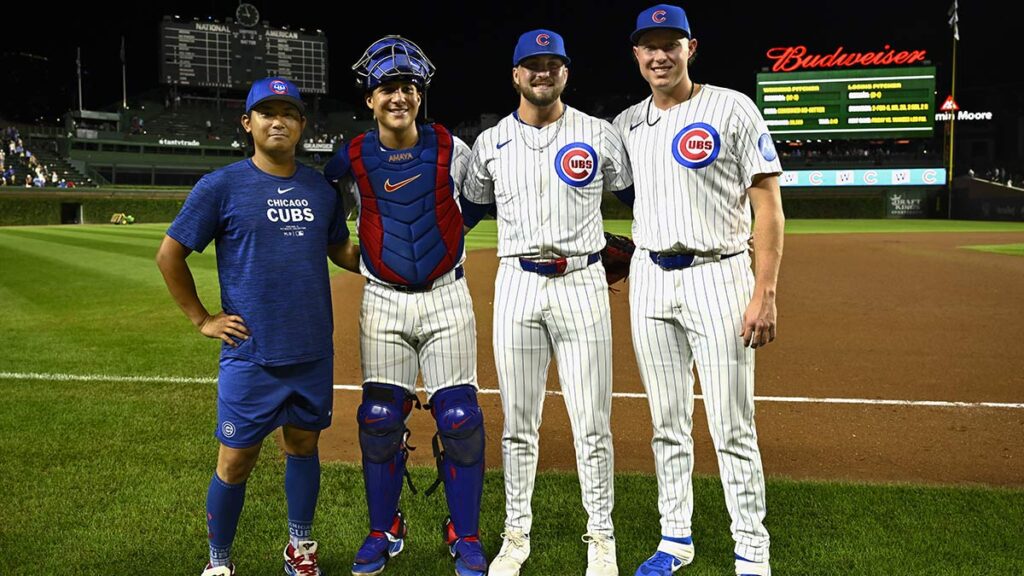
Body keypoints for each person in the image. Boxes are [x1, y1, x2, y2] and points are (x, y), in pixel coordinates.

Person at [156, 76, 354, 576]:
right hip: (251, 354)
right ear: (248, 123)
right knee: (235, 460)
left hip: (310, 350)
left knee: (304, 446)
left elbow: (338, 249)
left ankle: (299, 548)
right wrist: (202, 319)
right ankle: (219, 562)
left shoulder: (319, 188)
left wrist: (398, 262)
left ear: (302, 124)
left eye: (288, 112)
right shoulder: (221, 186)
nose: (278, 120)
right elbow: (169, 254)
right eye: (267, 112)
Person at [612, 5, 785, 576]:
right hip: (651, 282)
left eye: (670, 44)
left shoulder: (733, 107)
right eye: (648, 46)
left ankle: (751, 548)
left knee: (732, 422)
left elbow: (768, 206)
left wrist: (765, 292)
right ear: (637, 55)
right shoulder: (626, 125)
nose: (659, 55)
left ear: (691, 47)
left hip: (720, 275)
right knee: (667, 421)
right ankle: (675, 538)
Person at [462, 29, 632, 576]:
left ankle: (601, 536)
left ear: (565, 73)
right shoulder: (490, 144)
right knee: (518, 422)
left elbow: (643, 201)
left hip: (582, 282)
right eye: (531, 65)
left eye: (552, 64)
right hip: (516, 282)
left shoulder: (598, 135)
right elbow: (464, 214)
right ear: (515, 75)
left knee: (592, 422)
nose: (542, 73)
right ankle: (516, 535)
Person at [323, 36, 488, 576]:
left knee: (460, 418)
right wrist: (374, 263)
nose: (399, 96)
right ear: (370, 98)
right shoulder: (349, 157)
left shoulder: (450, 147)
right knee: (377, 417)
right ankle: (383, 527)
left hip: (446, 297)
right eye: (388, 87)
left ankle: (464, 534)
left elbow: (476, 206)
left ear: (421, 95)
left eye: (409, 87)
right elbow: (331, 227)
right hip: (384, 304)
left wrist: (444, 244)